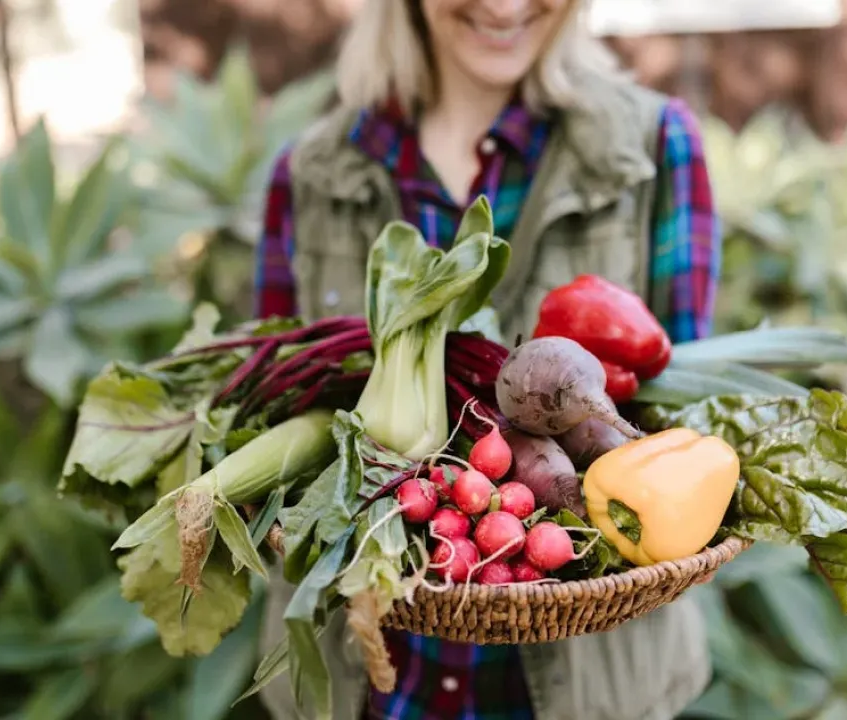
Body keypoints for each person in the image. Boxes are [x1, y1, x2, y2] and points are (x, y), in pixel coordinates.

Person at [251, 0, 721, 718]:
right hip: (368, 682)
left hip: (592, 687)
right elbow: (280, 399)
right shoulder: (309, 171)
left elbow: (679, 423)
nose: (504, 6)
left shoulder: (657, 147)